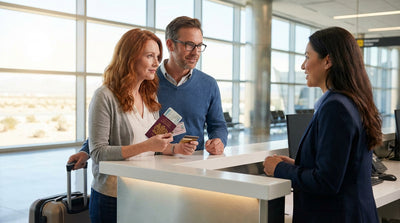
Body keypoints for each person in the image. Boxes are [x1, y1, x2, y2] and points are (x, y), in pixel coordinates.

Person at [68, 16, 228, 170]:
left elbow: (218, 125)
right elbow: (115, 126)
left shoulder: (208, 84)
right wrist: (86, 150)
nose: (196, 52)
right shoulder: (146, 81)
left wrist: (219, 141)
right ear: (170, 45)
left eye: (199, 46)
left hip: (192, 166)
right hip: (152, 169)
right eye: (189, 45)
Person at [263, 27, 382, 223]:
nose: (303, 66)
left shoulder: (335, 107)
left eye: (307, 57)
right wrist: (298, 165)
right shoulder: (350, 101)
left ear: (328, 61)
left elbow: (326, 182)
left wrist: (279, 169)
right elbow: (339, 168)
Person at [87, 28, 197, 223]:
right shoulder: (104, 96)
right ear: (130, 58)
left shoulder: (149, 96)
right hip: (113, 196)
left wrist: (175, 148)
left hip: (145, 191)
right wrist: (148, 146)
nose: (156, 63)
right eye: (149, 56)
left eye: (157, 56)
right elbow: (98, 153)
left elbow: (151, 148)